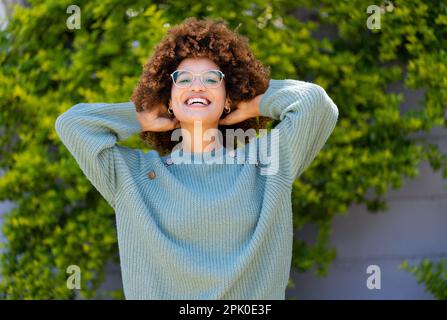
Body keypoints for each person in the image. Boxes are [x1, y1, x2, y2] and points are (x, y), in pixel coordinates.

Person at [55, 17, 339, 299]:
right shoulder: (134, 176)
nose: (197, 86)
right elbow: (73, 125)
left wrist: (253, 103)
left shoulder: (266, 163)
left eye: (212, 79)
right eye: (184, 79)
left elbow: (315, 104)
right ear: (167, 99)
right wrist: (142, 117)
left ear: (228, 97)